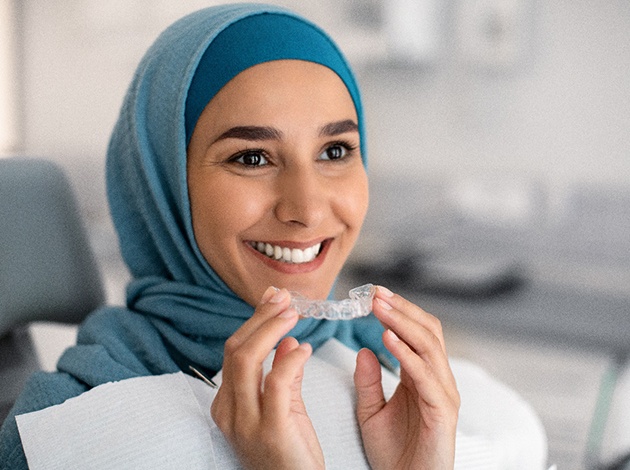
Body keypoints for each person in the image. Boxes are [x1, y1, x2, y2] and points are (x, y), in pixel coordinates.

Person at [0, 4, 459, 469]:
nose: (307, 209)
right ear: (164, 184)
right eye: (252, 158)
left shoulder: (399, 376)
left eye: (334, 150)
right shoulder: (61, 432)